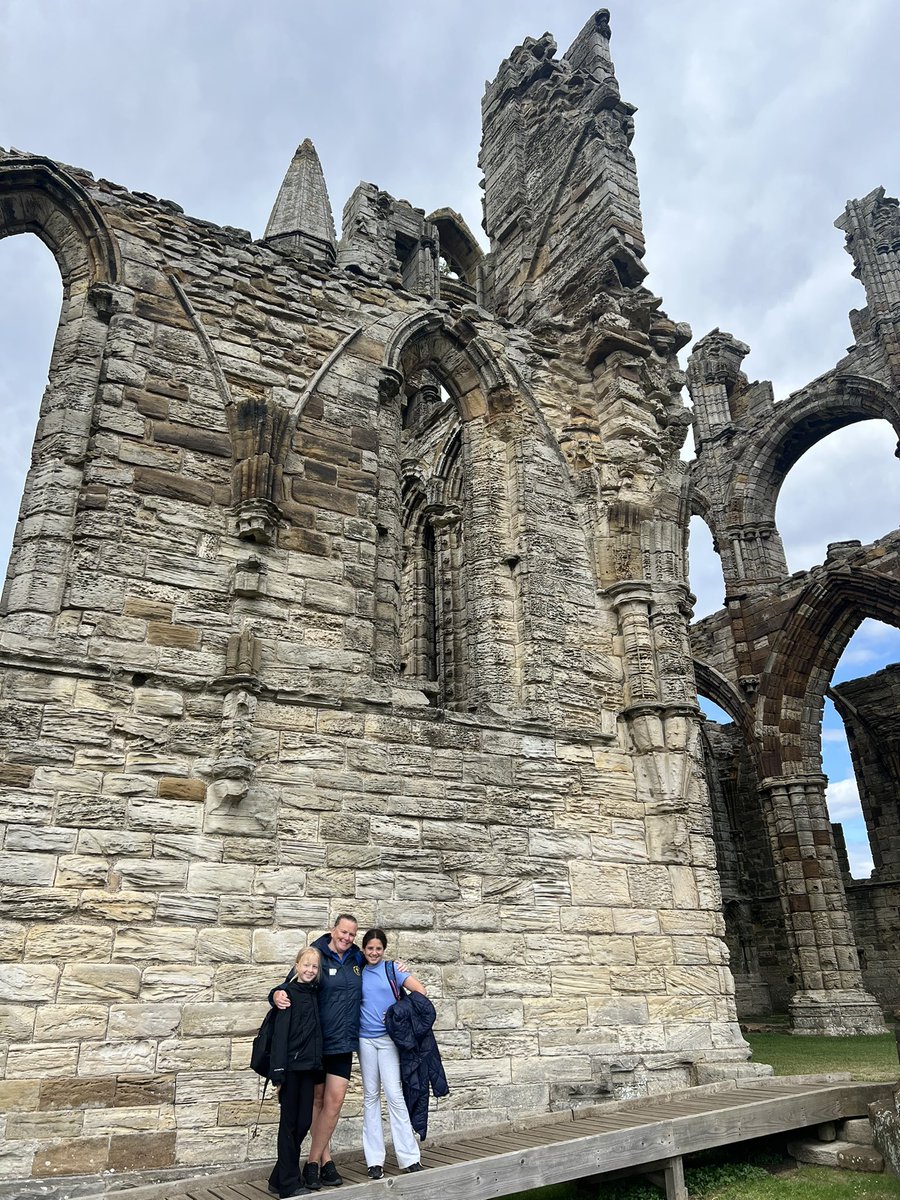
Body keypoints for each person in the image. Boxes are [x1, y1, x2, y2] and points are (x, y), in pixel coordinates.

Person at [273, 914, 364, 1190]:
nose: (347, 938)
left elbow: (378, 965)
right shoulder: (317, 953)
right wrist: (274, 995)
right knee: (316, 1101)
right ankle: (323, 1161)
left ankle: (313, 1160)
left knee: (334, 1103)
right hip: (316, 1043)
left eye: (352, 934)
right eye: (343, 932)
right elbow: (290, 985)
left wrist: (399, 969)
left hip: (343, 1043)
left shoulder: (356, 959)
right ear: (333, 930)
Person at [358, 927, 427, 1179]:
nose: (373, 952)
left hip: (388, 1040)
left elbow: (421, 992)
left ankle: (409, 1158)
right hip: (364, 1040)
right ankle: (374, 1161)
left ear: (383, 950)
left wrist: (398, 1012)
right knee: (370, 1097)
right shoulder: (357, 971)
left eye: (378, 948)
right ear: (363, 949)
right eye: (369, 948)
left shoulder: (392, 970)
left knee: (395, 1095)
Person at [267, 946, 323, 1199]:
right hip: (290, 1069)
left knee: (303, 1122)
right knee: (289, 1124)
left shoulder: (314, 993)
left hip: (309, 1068)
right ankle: (289, 1183)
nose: (310, 970)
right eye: (306, 965)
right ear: (297, 966)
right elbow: (280, 1037)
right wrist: (278, 1073)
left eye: (314, 966)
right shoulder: (286, 994)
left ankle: (278, 1177)